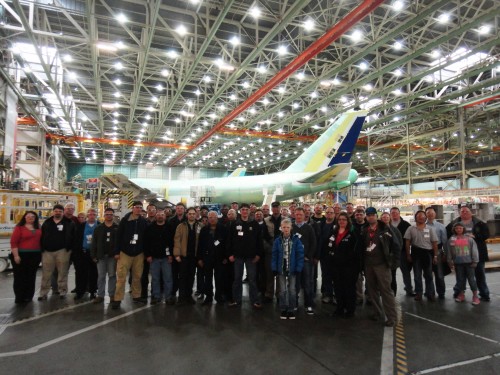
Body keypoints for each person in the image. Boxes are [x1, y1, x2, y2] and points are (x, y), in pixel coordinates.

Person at [356, 207, 399, 327]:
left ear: (376, 216)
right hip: (368, 265)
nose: (370, 217)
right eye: (368, 215)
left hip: (382, 265)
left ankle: (392, 317)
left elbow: (396, 246)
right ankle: (377, 312)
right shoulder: (365, 230)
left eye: (373, 215)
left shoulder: (386, 229)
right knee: (372, 290)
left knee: (386, 291)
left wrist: (393, 264)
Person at [446, 206, 491, 302]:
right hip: (460, 256)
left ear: (471, 212)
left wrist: (475, 236)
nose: (465, 213)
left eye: (467, 211)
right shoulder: (453, 223)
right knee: (460, 277)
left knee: (480, 275)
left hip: (477, 254)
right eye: (462, 211)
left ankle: (484, 294)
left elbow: (486, 235)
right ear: (459, 213)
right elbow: (448, 236)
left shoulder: (479, 223)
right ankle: (459, 293)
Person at [112, 201, 148, 309]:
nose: (138, 209)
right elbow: (118, 236)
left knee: (137, 276)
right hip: (125, 253)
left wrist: (145, 253)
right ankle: (117, 299)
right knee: (121, 277)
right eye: (137, 207)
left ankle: (136, 296)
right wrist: (117, 252)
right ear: (132, 208)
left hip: (139, 254)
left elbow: (146, 238)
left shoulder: (143, 222)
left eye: (140, 208)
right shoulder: (125, 220)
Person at [227, 203, 263, 309]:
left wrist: (258, 254)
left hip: (251, 257)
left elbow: (259, 241)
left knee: (252, 280)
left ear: (249, 211)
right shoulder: (234, 224)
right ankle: (236, 300)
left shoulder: (254, 224)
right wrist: (230, 254)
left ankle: (255, 300)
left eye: (246, 209)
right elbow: (229, 240)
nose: (245, 211)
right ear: (240, 211)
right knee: (237, 279)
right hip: (237, 257)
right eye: (243, 209)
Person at [38, 204, 75, 300]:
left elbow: (73, 236)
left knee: (62, 272)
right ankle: (43, 293)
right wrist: (42, 249)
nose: (58, 213)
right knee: (46, 273)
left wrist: (69, 249)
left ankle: (62, 291)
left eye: (60, 211)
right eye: (56, 211)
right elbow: (42, 236)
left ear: (63, 213)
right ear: (53, 212)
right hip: (47, 252)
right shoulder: (47, 222)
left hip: (62, 251)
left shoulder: (69, 223)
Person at [329, 213, 360, 318]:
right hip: (336, 266)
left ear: (348, 221)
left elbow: (356, 250)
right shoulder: (334, 232)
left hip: (349, 267)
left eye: (344, 220)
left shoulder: (353, 233)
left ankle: (350, 310)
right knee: (338, 288)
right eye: (340, 220)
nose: (341, 221)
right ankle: (340, 308)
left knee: (349, 289)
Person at [272, 218, 304, 320]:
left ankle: (291, 309)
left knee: (292, 290)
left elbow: (300, 254)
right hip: (281, 268)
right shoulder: (277, 240)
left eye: (288, 227)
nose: (286, 229)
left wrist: (299, 268)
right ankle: (283, 308)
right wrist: (274, 268)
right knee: (282, 290)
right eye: (284, 227)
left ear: (291, 228)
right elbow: (274, 255)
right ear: (281, 228)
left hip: (293, 268)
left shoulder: (296, 240)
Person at [404, 210, 438, 302]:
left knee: (429, 275)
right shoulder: (411, 229)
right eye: (419, 216)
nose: (421, 218)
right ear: (415, 218)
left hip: (427, 253)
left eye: (423, 216)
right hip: (416, 253)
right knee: (417, 275)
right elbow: (407, 243)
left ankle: (430, 293)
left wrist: (435, 256)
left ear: (425, 218)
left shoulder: (430, 229)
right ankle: (419, 293)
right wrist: (408, 254)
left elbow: (434, 242)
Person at [10, 211, 42, 303]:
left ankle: (29, 296)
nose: (31, 218)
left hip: (35, 255)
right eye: (29, 216)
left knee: (31, 276)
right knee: (20, 277)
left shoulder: (39, 227)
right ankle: (19, 297)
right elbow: (13, 242)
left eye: (33, 216)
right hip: (21, 255)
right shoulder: (19, 228)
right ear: (25, 217)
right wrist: (16, 256)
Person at [197, 211, 229, 305]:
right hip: (207, 258)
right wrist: (200, 258)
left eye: (213, 217)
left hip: (220, 258)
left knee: (219, 279)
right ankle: (209, 297)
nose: (212, 219)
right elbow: (200, 245)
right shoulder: (204, 230)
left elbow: (227, 244)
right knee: (207, 279)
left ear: (217, 218)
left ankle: (218, 296)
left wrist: (226, 257)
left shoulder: (223, 229)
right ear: (208, 218)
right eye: (210, 217)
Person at [174, 207, 203, 305]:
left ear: (196, 215)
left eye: (193, 214)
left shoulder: (200, 225)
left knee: (191, 277)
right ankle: (181, 297)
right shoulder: (181, 226)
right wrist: (177, 254)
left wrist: (200, 257)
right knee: (182, 277)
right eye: (190, 214)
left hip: (194, 256)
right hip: (183, 256)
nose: (191, 215)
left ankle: (188, 296)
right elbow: (177, 240)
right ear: (187, 215)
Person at [144, 210, 174, 305]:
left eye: (162, 215)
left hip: (166, 257)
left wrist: (171, 255)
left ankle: (168, 297)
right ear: (155, 216)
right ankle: (156, 296)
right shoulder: (150, 228)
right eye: (158, 215)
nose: (160, 216)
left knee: (168, 278)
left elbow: (173, 242)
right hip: (154, 258)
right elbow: (146, 242)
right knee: (155, 278)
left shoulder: (170, 227)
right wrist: (148, 255)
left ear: (165, 216)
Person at [447, 222, 480, 305]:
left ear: (463, 229)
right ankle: (461, 294)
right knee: (460, 280)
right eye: (457, 228)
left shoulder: (469, 238)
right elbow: (449, 251)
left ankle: (475, 296)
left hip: (469, 263)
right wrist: (450, 261)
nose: (458, 230)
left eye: (460, 228)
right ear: (454, 229)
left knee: (471, 280)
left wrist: (475, 261)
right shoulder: (452, 239)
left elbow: (474, 250)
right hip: (458, 264)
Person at [292, 207, 318, 316]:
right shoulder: (291, 227)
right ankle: (295, 303)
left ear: (304, 215)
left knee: (308, 283)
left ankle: (309, 305)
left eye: (300, 215)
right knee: (295, 283)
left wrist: (308, 256)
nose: (298, 216)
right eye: (297, 214)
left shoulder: (309, 228)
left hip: (306, 261)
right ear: (294, 215)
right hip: (294, 261)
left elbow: (313, 243)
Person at [90, 207, 118, 304]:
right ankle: (100, 295)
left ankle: (112, 295)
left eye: (111, 214)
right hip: (101, 256)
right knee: (101, 276)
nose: (109, 216)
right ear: (104, 215)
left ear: (113, 216)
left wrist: (117, 254)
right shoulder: (98, 228)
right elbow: (94, 242)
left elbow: (119, 243)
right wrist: (93, 255)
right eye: (107, 214)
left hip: (112, 257)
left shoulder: (117, 228)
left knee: (112, 275)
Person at [74, 208, 100, 300]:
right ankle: (80, 292)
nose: (92, 216)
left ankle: (93, 291)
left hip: (95, 254)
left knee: (94, 273)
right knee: (81, 273)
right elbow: (77, 239)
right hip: (83, 253)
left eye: (94, 214)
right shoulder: (81, 226)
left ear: (96, 215)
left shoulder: (99, 226)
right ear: (87, 216)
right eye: (90, 214)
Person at [425, 207, 448, 299]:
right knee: (427, 273)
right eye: (428, 213)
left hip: (438, 251)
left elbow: (445, 241)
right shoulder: (422, 225)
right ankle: (430, 292)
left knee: (439, 274)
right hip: (426, 252)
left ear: (435, 214)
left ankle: (441, 292)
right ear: (425, 214)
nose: (430, 214)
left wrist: (446, 254)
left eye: (432, 213)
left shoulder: (440, 226)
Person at [390, 207, 413, 296]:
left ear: (399, 213)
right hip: (391, 253)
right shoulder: (387, 224)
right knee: (392, 272)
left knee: (405, 271)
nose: (394, 214)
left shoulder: (406, 224)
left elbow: (409, 239)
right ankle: (391, 290)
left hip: (402, 252)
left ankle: (409, 289)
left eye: (396, 213)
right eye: (392, 213)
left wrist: (408, 253)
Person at [167, 202, 186, 301]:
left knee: (184, 274)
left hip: (185, 252)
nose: (179, 210)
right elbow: (168, 239)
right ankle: (173, 293)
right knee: (173, 274)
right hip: (173, 251)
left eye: (181, 208)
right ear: (176, 209)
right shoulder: (170, 221)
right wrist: (169, 254)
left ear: (184, 210)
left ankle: (184, 294)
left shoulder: (187, 221)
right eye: (177, 208)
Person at [380, 212, 403, 296]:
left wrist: (394, 255)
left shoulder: (395, 230)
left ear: (389, 218)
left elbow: (399, 243)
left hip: (392, 258)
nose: (385, 219)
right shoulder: (378, 230)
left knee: (392, 276)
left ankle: (393, 293)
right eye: (383, 217)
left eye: (387, 217)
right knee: (382, 277)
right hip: (381, 259)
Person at [318, 206, 336, 304]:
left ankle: (335, 295)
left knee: (335, 275)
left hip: (335, 255)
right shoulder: (321, 224)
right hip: (324, 255)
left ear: (334, 214)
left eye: (331, 212)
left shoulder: (337, 225)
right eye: (327, 212)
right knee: (326, 275)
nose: (329, 214)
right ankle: (327, 294)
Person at [353, 208, 367, 304]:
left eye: (361, 214)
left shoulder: (368, 225)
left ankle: (370, 296)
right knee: (358, 279)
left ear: (364, 215)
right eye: (357, 214)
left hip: (367, 255)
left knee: (370, 277)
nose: (359, 216)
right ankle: (359, 297)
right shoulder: (352, 226)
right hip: (356, 256)